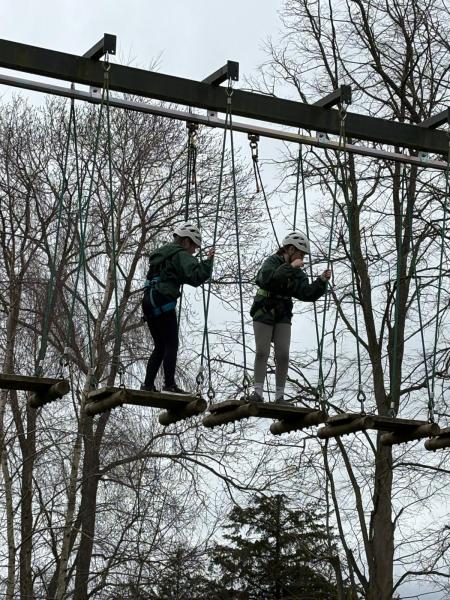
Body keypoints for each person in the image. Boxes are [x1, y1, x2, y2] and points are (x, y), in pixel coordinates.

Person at [249, 231, 331, 404]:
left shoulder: (297, 272)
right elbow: (269, 280)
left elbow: (306, 293)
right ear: (291, 249)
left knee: (283, 354)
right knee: (262, 351)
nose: (302, 259)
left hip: (283, 313)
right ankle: (257, 392)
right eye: (301, 254)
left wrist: (321, 281)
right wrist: (291, 267)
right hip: (264, 309)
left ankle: (280, 396)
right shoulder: (272, 262)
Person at [141, 222, 214, 394]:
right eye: (194, 247)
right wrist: (208, 262)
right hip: (163, 299)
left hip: (148, 300)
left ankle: (148, 385)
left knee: (160, 346)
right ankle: (169, 385)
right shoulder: (180, 254)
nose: (194, 251)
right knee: (171, 344)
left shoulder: (162, 253)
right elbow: (195, 276)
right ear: (186, 242)